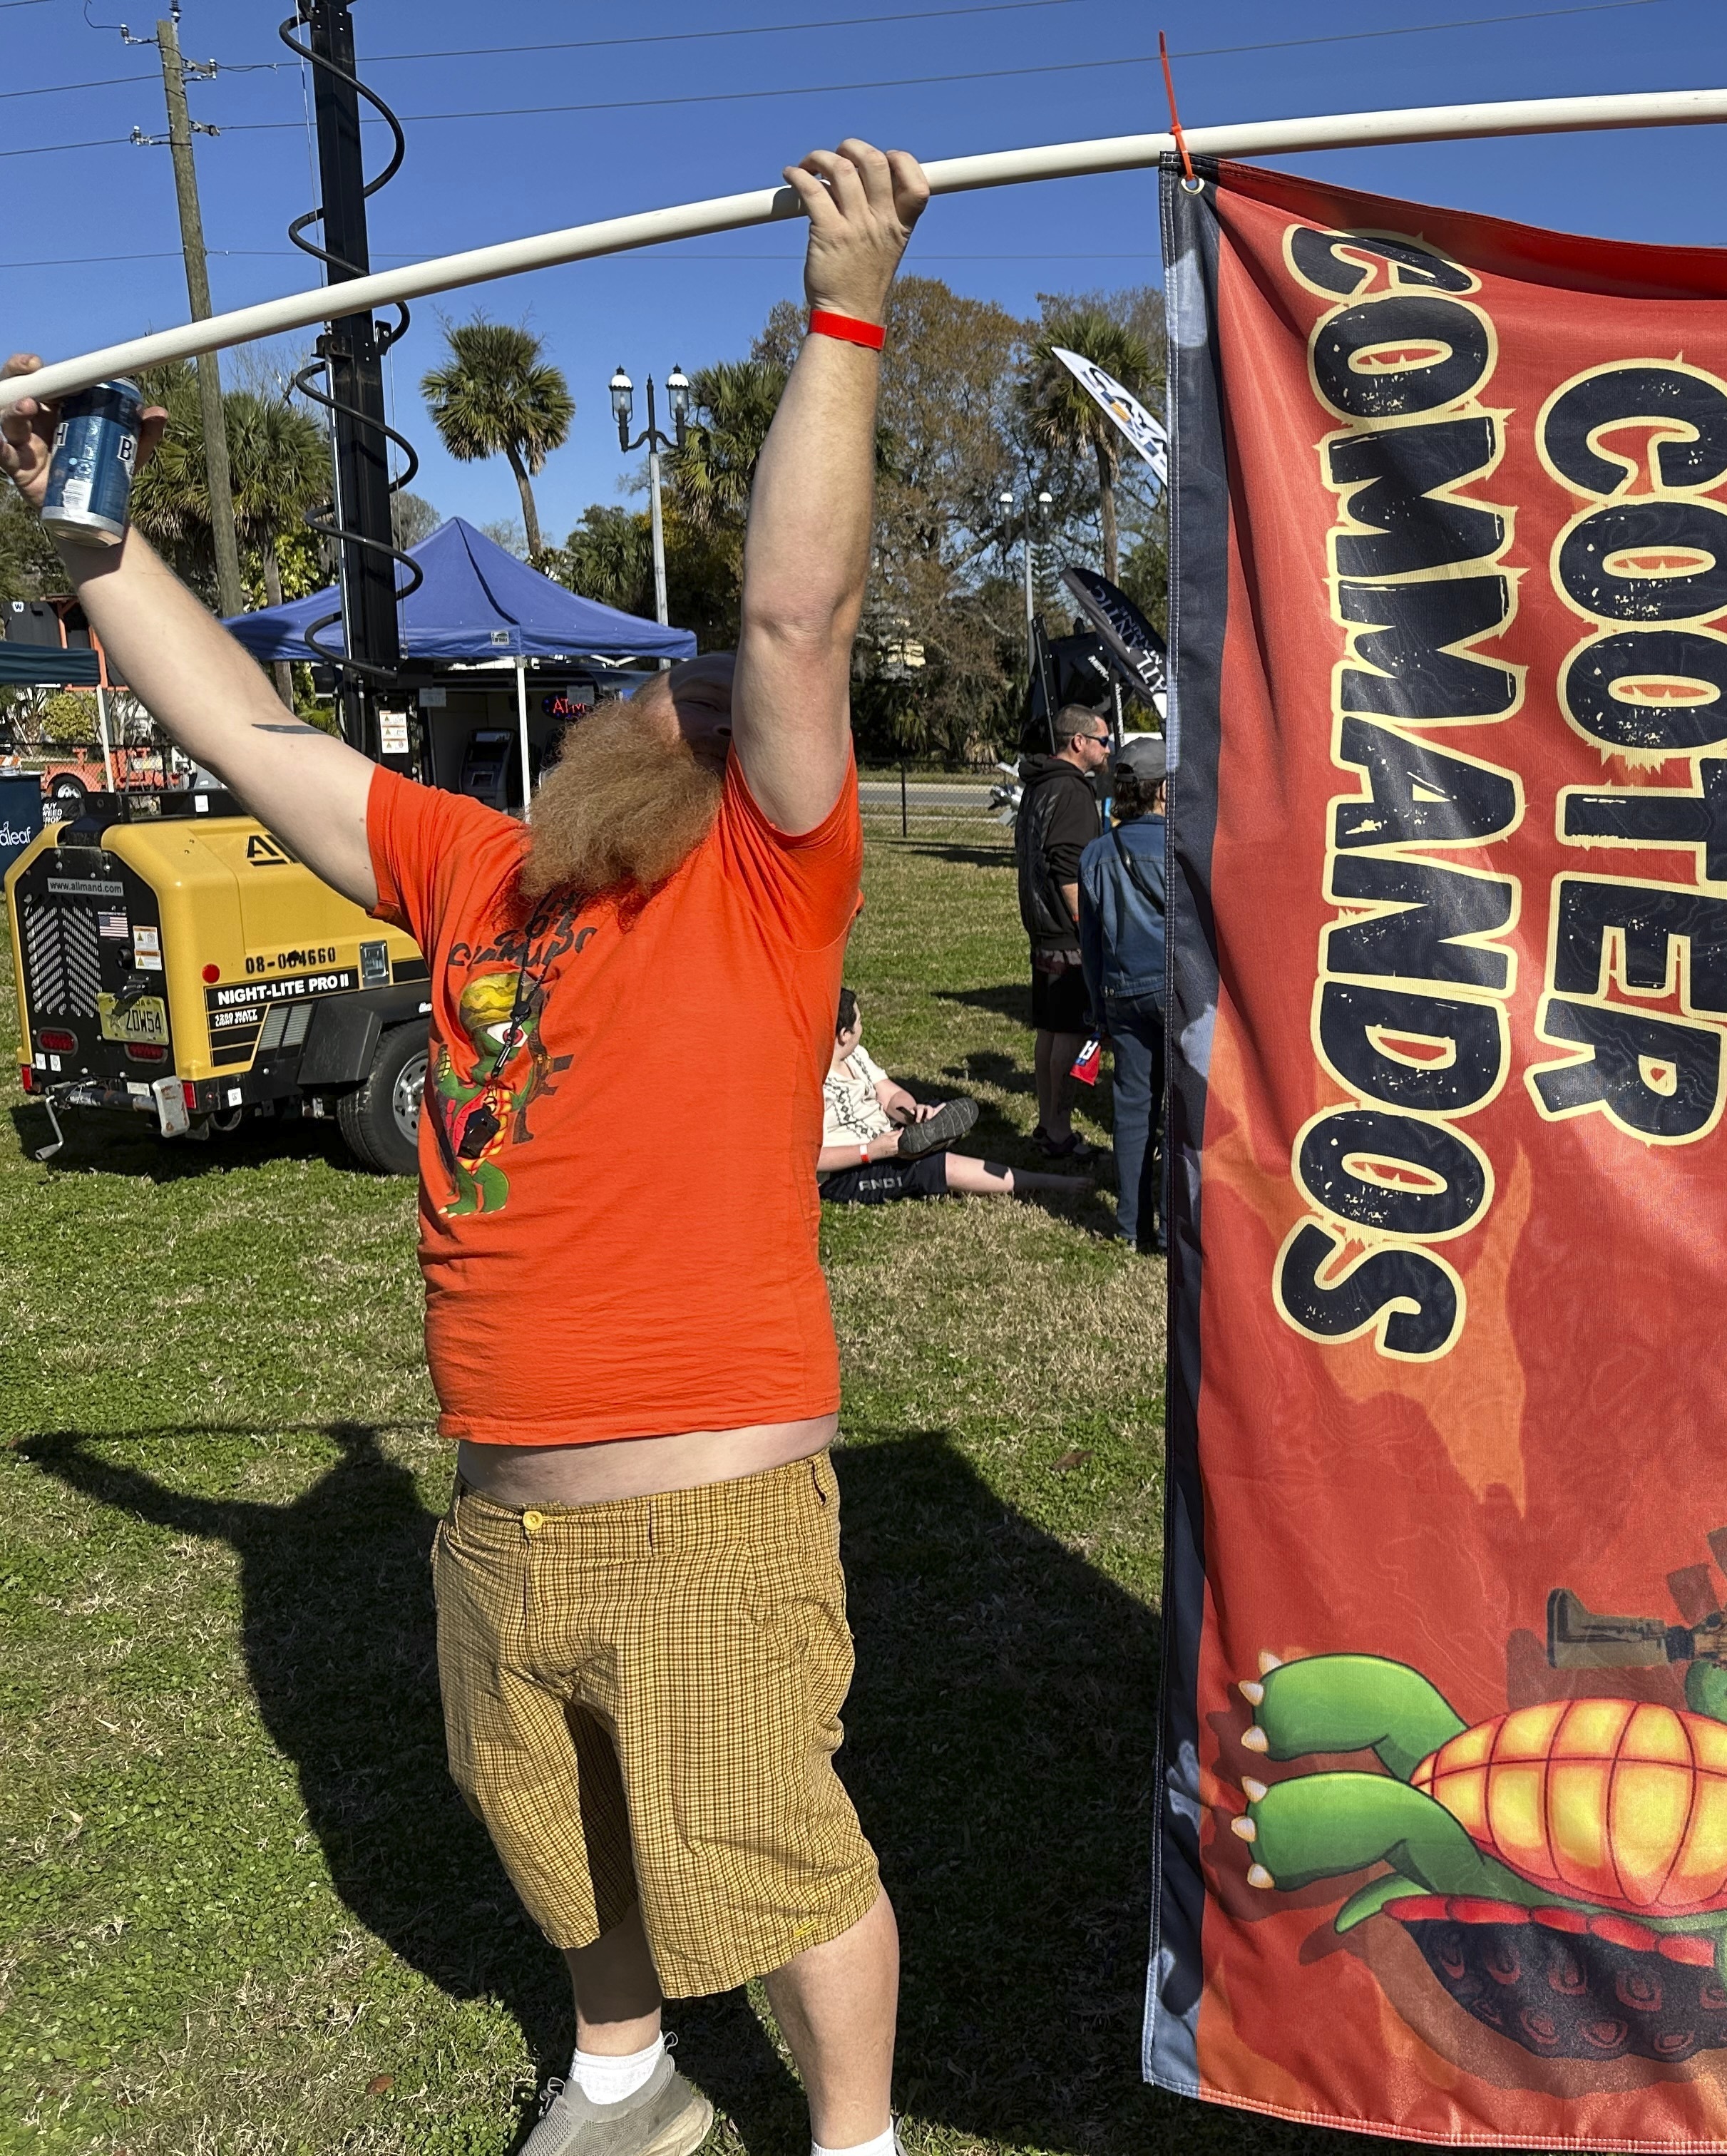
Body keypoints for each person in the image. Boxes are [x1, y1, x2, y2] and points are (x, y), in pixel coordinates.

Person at [7, 138, 932, 2156]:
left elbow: (789, 619)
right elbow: (251, 740)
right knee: (563, 1832)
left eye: (691, 689)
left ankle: (852, 2140)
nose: (656, 690)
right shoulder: (481, 872)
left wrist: (847, 294)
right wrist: (86, 538)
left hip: (707, 1507)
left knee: (765, 1847)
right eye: (644, 681)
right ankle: (628, 2082)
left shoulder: (767, 884)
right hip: (505, 1503)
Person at [817, 987, 1087, 1206]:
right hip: (848, 1171)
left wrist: (913, 1113)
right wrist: (873, 1152)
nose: (862, 1026)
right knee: (938, 1168)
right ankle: (1043, 1182)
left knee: (935, 1110)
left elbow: (889, 1095)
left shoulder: (855, 1055)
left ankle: (919, 1139)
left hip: (887, 1137)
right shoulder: (810, 1083)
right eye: (860, 1021)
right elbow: (809, 1158)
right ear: (844, 1035)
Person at [1077, 737, 1169, 1253]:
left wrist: (1098, 1010)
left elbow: (1090, 944)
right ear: (1161, 791)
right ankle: (1173, 1225)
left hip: (1121, 993)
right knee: (1179, 1110)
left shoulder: (1094, 854)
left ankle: (1132, 1228)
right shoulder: (1181, 846)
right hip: (1178, 995)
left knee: (1133, 1110)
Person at [1014, 701, 1112, 1164]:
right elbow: (1068, 868)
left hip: (1041, 925)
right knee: (1070, 1033)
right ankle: (1058, 1129)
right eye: (1103, 742)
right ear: (1079, 742)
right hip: (1065, 932)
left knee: (1052, 1029)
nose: (1108, 751)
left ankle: (1048, 1123)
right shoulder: (1072, 791)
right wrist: (1085, 926)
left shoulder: (1040, 783)